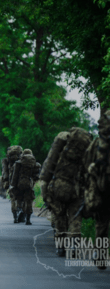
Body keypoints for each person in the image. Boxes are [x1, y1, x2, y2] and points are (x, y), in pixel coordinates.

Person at [40, 128, 92, 257]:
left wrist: (45, 192)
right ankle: (74, 244)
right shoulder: (85, 150)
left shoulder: (61, 149)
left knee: (59, 215)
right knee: (75, 217)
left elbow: (48, 167)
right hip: (76, 188)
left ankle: (61, 246)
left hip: (58, 185)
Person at [82, 111, 110, 270]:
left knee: (102, 222)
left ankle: (100, 254)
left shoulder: (98, 143)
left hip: (103, 187)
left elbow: (87, 163)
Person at [10, 149, 41, 225]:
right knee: (29, 201)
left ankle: (18, 214)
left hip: (19, 184)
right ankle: (28, 220)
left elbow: (15, 175)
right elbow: (37, 176)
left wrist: (13, 185)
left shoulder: (18, 163)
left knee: (18, 199)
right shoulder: (35, 164)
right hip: (29, 184)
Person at [2, 146, 23, 223]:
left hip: (11, 182)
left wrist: (6, 182)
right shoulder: (22, 160)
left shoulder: (6, 161)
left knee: (13, 199)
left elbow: (4, 172)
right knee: (21, 197)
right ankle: (21, 210)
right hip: (21, 181)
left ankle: (15, 216)